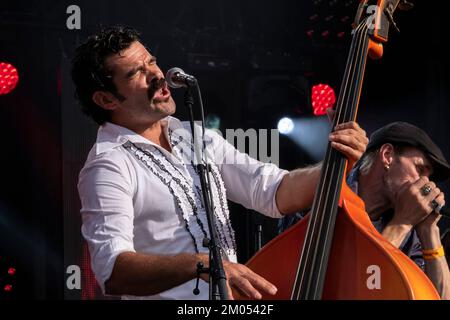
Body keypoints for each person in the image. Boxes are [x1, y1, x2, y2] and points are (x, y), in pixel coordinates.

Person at [72, 25, 368, 300]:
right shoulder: (108, 165)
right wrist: (205, 265)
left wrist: (336, 161)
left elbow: (272, 190)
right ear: (106, 100)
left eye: (152, 62)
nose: (157, 75)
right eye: (137, 72)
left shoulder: (192, 135)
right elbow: (112, 270)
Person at [280, 121, 450, 299]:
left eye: (428, 177)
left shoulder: (410, 229)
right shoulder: (323, 195)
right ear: (387, 155)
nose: (426, 184)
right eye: (419, 169)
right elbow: (350, 288)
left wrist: (429, 230)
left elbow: (439, 296)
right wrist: (401, 224)